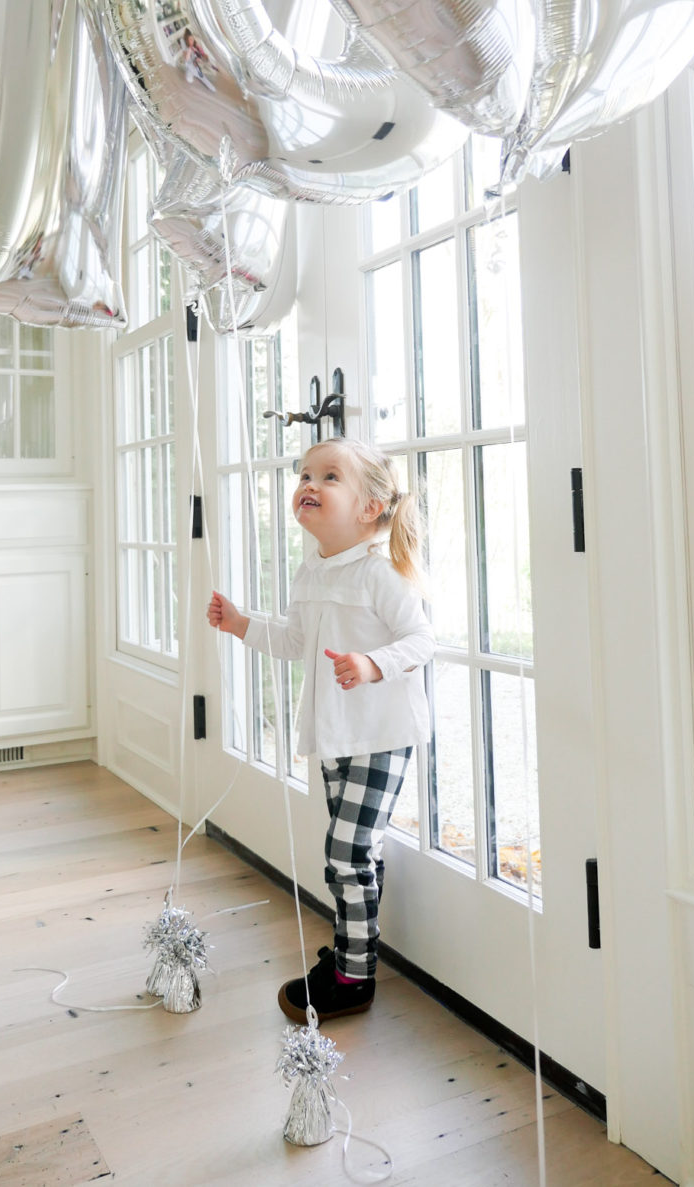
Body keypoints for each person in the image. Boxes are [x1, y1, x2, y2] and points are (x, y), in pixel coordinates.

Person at [207, 437, 434, 1025]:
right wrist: (239, 624)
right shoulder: (311, 569)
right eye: (305, 473)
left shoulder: (381, 573)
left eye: (329, 476)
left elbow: (422, 641)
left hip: (380, 733)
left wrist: (370, 663)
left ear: (368, 509)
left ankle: (354, 978)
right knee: (352, 856)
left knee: (346, 851)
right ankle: (352, 951)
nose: (309, 483)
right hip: (334, 735)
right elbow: (292, 641)